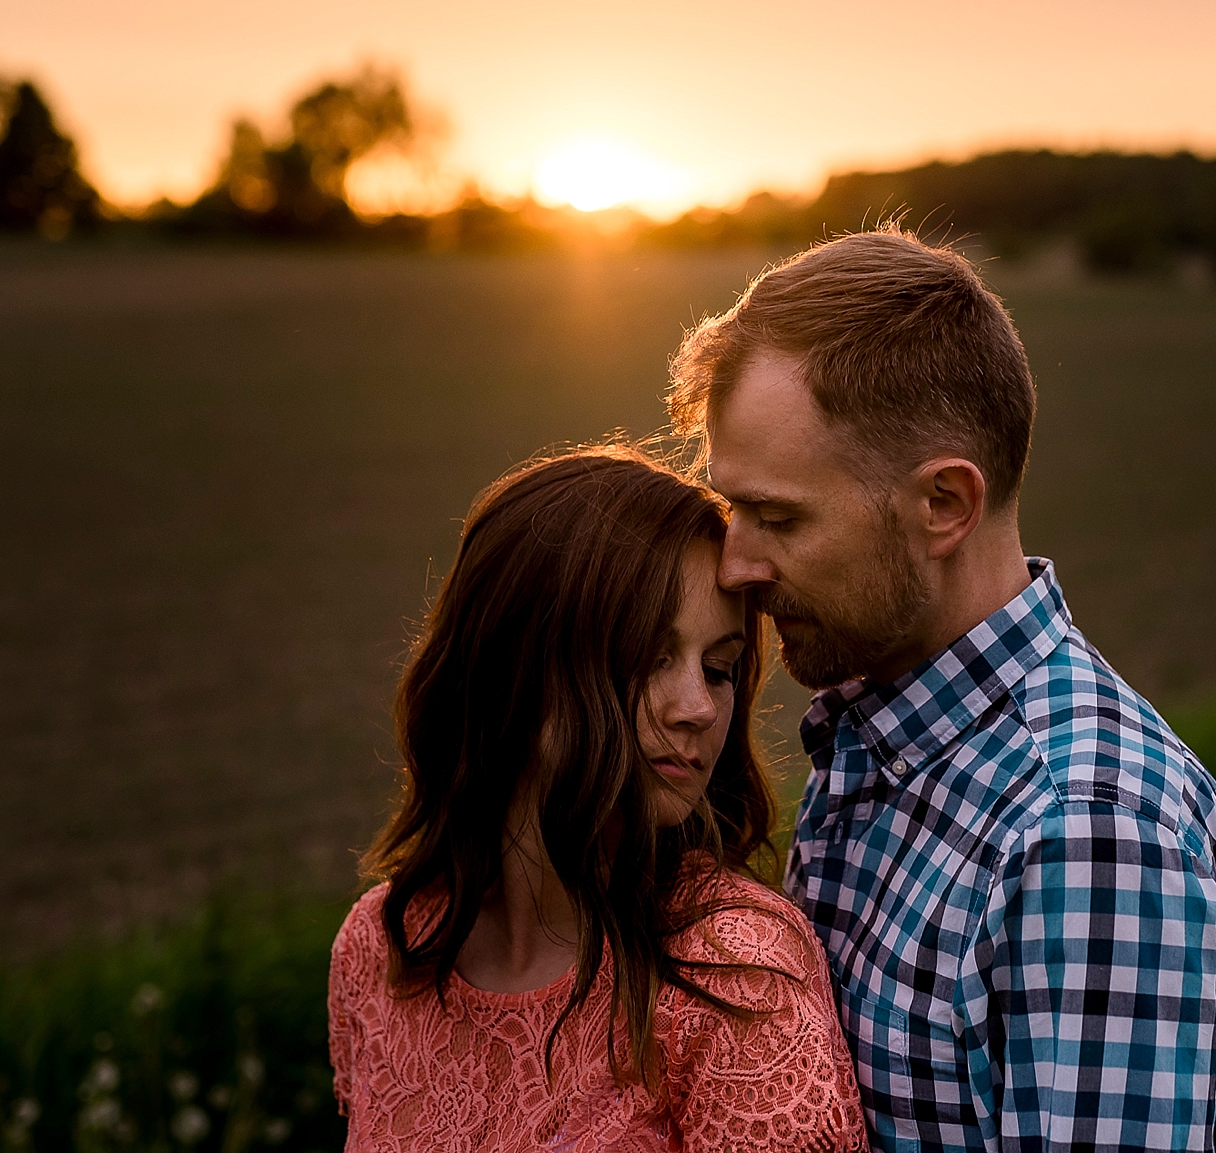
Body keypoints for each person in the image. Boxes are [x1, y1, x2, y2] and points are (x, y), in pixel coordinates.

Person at [667, 230, 1216, 1153]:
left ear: (944, 503)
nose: (738, 564)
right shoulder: (884, 731)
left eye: (779, 517)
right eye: (732, 507)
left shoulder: (1082, 833)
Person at [327, 446, 868, 1153]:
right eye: (647, 653)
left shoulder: (735, 975)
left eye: (719, 667)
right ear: (512, 664)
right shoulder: (384, 947)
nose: (698, 707)